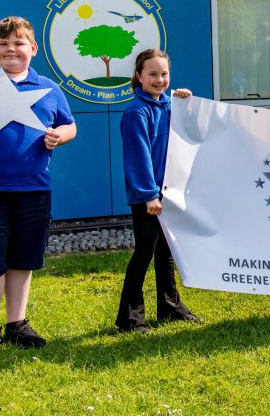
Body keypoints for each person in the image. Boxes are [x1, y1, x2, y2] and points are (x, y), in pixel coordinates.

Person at [0, 17, 76, 358]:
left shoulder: (49, 88)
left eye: (18, 43)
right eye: (3, 44)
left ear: (33, 49)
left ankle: (17, 324)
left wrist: (61, 136)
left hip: (33, 189)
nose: (10, 50)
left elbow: (70, 125)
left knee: (22, 259)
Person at [115, 49, 202, 332]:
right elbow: (137, 156)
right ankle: (130, 318)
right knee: (144, 252)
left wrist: (185, 102)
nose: (159, 80)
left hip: (170, 191)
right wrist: (148, 194)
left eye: (164, 74)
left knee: (166, 252)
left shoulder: (168, 104)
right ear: (138, 76)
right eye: (152, 74)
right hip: (149, 197)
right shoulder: (136, 112)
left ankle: (170, 307)